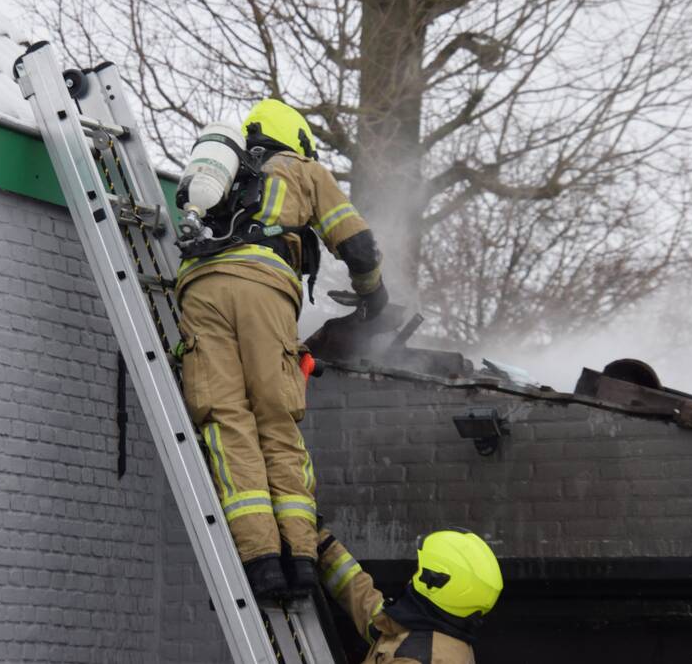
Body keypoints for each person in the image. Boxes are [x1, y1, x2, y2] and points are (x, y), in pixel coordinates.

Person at [175, 98, 387, 598]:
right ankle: (300, 559)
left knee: (226, 420)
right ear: (297, 138)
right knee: (275, 418)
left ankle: (261, 561)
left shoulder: (223, 175)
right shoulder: (302, 168)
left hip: (199, 289)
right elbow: (357, 245)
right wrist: (373, 293)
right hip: (262, 288)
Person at [317, 525, 502, 663]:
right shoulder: (436, 631)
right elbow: (369, 607)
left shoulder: (413, 656)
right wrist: (325, 546)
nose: (412, 577)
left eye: (420, 569)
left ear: (435, 583)